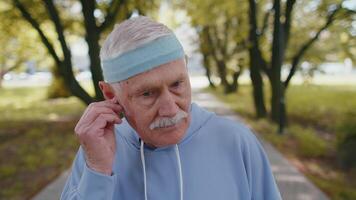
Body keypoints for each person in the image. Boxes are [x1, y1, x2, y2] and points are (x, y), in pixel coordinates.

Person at [61, 16, 281, 200]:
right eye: (147, 93)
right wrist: (98, 172)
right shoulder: (97, 151)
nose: (170, 109)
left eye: (177, 84)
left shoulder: (236, 141)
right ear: (110, 95)